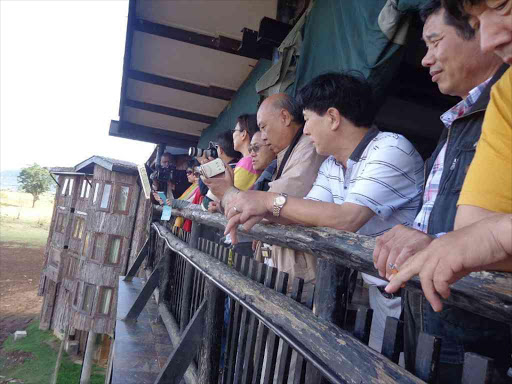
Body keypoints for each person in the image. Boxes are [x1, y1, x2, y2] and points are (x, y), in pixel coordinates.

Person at [224, 72, 424, 351]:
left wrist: (268, 202)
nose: (304, 130)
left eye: (306, 119)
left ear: (332, 117)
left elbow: (346, 219)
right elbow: (309, 215)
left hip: (417, 299)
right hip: (383, 290)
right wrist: (258, 212)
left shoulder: (390, 148)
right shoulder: (332, 166)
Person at [371, 1, 509, 381]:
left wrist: (447, 241)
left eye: (434, 43)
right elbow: (469, 228)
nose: (425, 60)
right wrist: (436, 241)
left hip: (485, 325)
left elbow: (475, 233)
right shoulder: (462, 119)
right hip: (441, 308)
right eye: (484, 20)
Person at [206, 93, 326, 297]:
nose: (262, 135)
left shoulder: (308, 147)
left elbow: (274, 202)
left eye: (263, 127)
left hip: (300, 275)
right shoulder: (286, 153)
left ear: (285, 117)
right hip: (286, 269)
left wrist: (227, 193)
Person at [173, 161, 201, 232]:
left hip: (191, 224)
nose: (187, 174)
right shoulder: (192, 186)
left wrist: (172, 202)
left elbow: (187, 203)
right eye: (187, 172)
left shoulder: (199, 187)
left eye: (190, 172)